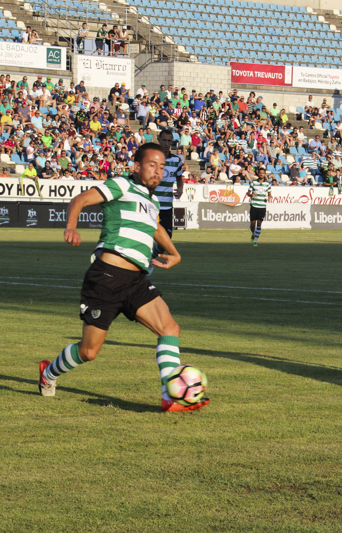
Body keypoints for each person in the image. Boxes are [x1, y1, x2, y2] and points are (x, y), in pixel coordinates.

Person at [38, 142, 209, 413]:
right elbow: (80, 199)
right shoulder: (121, 185)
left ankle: (170, 396)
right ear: (136, 166)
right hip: (106, 277)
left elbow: (155, 227)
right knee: (89, 352)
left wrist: (174, 252)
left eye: (162, 166)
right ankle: (49, 372)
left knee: (170, 329)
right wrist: (71, 227)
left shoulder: (152, 200)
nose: (158, 171)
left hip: (136, 281)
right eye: (152, 165)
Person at [152, 128, 184, 259]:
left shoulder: (176, 160)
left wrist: (180, 189)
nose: (166, 143)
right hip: (151, 202)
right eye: (164, 140)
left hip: (166, 204)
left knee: (167, 237)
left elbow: (179, 179)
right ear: (159, 140)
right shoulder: (152, 157)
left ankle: (153, 255)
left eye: (169, 141)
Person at [248, 167, 271, 247]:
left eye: (263, 173)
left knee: (259, 224)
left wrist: (269, 197)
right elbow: (248, 193)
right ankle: (253, 234)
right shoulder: (253, 183)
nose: (261, 174)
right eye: (260, 173)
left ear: (264, 174)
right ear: (258, 173)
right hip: (254, 205)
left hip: (262, 206)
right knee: (252, 225)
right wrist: (251, 195)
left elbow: (270, 193)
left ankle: (255, 241)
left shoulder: (267, 184)